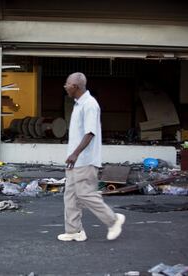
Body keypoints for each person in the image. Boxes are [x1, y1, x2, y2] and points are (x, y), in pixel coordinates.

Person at [57, 72, 125, 242]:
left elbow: (90, 133)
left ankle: (114, 220)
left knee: (86, 194)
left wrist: (75, 154)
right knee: (71, 195)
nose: (65, 86)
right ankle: (74, 231)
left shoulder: (89, 104)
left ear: (75, 86)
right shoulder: (79, 104)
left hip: (85, 160)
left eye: (67, 84)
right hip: (75, 161)